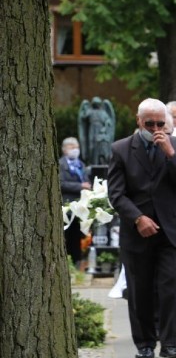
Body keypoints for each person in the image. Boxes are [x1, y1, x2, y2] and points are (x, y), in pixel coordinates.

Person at [107, 98, 176, 358]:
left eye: (160, 123)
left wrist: (170, 153)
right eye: (150, 123)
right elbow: (116, 194)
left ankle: (170, 343)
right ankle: (144, 342)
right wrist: (137, 218)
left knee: (171, 288)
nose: (156, 128)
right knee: (140, 289)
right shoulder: (121, 149)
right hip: (137, 232)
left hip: (170, 231)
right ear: (139, 122)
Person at [59, 136, 91, 265]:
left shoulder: (80, 164)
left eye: (76, 147)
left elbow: (86, 180)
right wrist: (80, 186)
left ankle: (77, 262)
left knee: (78, 237)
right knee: (67, 236)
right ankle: (66, 263)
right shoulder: (61, 164)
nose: (75, 150)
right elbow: (60, 183)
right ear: (64, 149)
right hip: (67, 207)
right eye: (72, 147)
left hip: (80, 207)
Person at [79, 97, 115, 166]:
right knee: (91, 146)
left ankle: (100, 161)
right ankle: (92, 162)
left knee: (100, 146)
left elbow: (108, 122)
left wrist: (104, 128)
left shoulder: (103, 112)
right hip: (92, 130)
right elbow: (83, 117)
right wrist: (84, 108)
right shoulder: (90, 111)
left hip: (100, 130)